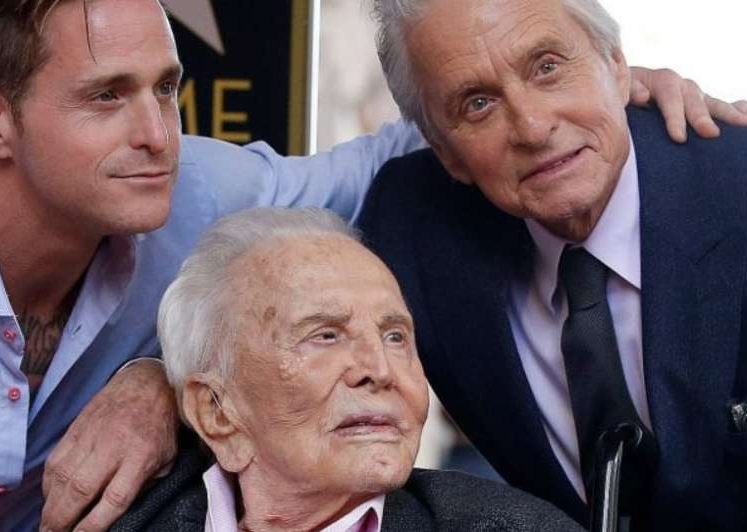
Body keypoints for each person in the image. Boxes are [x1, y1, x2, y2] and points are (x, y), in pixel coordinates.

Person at [0, 0, 747, 530]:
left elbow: (423, 138)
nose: (156, 134)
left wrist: (609, 91)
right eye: (105, 98)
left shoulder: (197, 186)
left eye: (165, 88)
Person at [358, 0, 747, 530]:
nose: (533, 127)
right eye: (478, 103)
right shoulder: (409, 225)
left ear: (617, 64)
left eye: (547, 67)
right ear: (444, 152)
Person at [112, 206, 585, 532]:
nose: (380, 369)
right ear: (216, 410)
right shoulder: (119, 519)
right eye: (326, 336)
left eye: (395, 336)